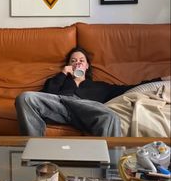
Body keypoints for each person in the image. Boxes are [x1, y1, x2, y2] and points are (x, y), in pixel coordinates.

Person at [15, 47, 164, 137]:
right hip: (60, 105)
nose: (77, 62)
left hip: (87, 110)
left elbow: (129, 88)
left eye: (81, 60)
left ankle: (112, 170)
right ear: (68, 66)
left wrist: (162, 79)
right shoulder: (59, 81)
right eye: (73, 61)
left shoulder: (100, 87)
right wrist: (62, 74)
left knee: (110, 116)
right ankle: (34, 156)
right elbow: (45, 95)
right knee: (25, 97)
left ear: (87, 66)